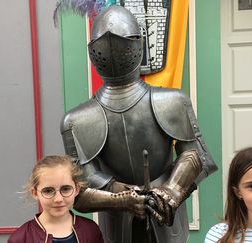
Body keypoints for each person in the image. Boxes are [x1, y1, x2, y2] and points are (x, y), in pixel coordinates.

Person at [60, 5, 217, 243]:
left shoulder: (172, 101)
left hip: (165, 211)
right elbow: (80, 188)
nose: (112, 52)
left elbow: (196, 156)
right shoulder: (77, 120)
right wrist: (120, 197)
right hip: (117, 221)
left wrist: (172, 189)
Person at [8, 155, 104, 243]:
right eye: (48, 191)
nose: (58, 199)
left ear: (76, 189)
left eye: (66, 189)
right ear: (35, 193)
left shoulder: (91, 230)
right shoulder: (21, 239)